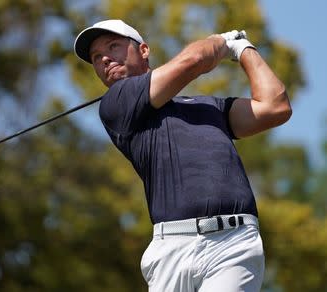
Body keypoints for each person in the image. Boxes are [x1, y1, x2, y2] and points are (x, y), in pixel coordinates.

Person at [74, 19, 291, 292]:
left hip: (232, 244)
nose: (105, 58)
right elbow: (196, 59)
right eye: (96, 57)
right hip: (170, 250)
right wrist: (223, 42)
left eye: (113, 46)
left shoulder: (209, 108)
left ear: (143, 50)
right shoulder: (117, 103)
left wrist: (244, 48)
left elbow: (275, 106)